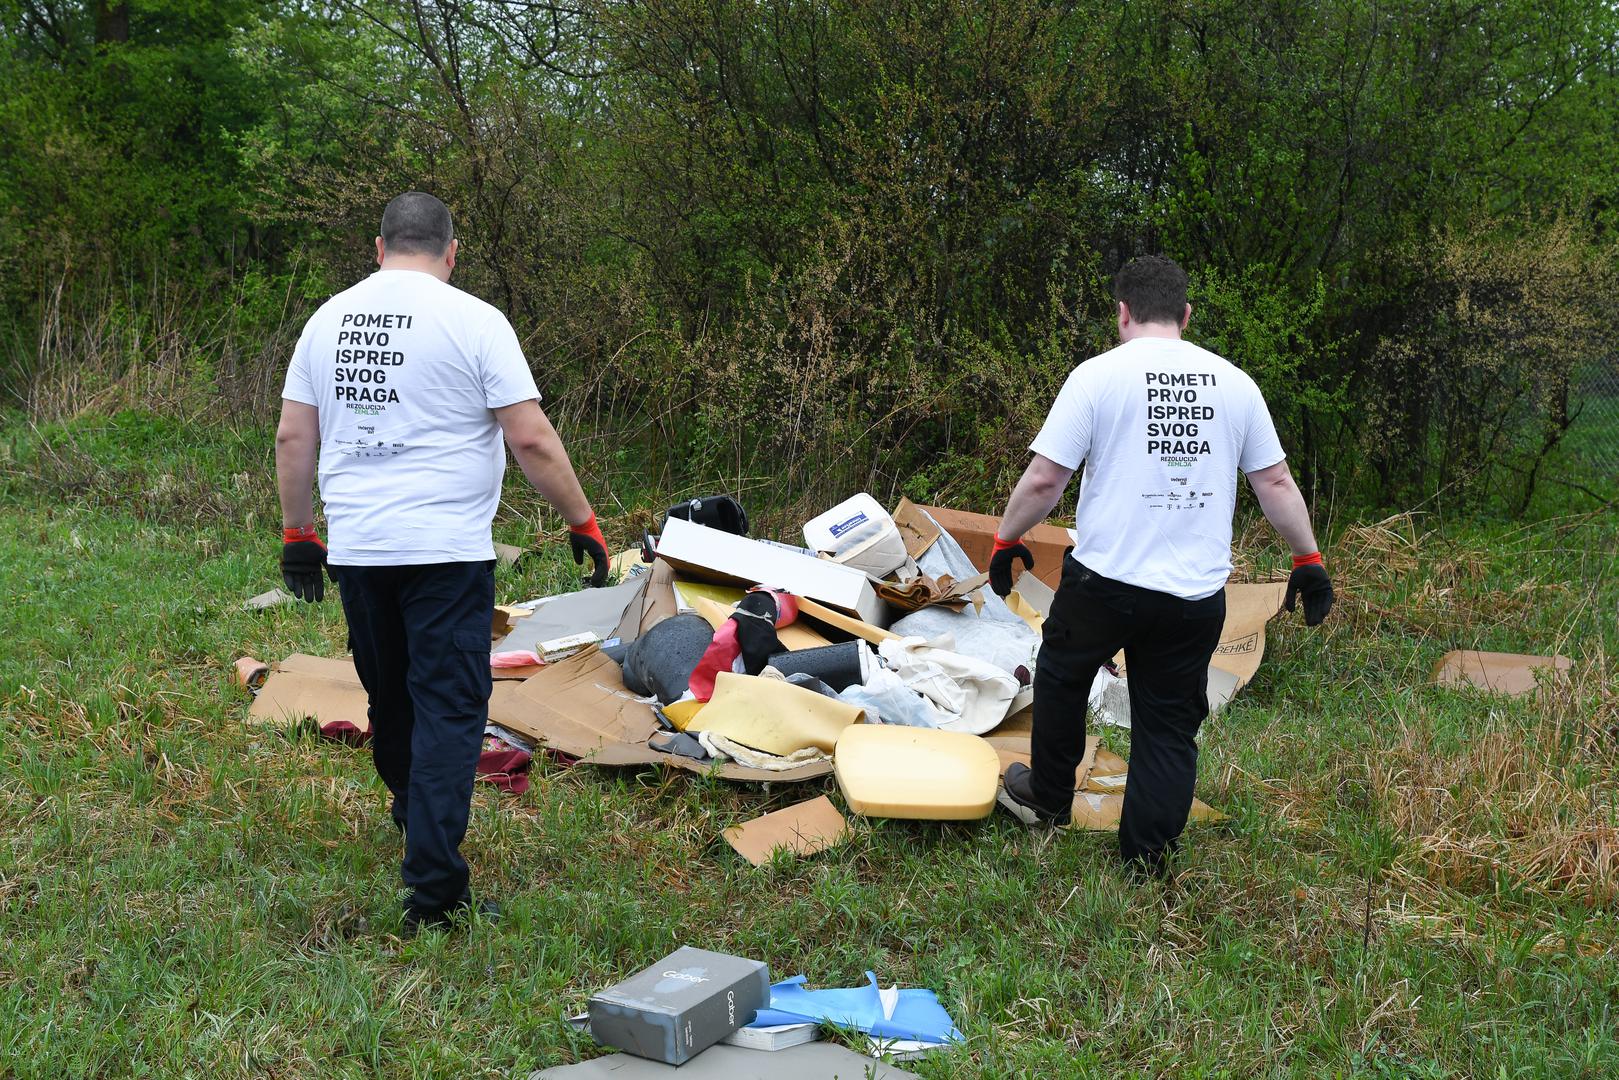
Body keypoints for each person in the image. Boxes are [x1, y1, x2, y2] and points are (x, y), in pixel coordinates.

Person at [274, 191, 609, 932]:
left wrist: (299, 533)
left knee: (390, 696)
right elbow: (531, 439)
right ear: (451, 252)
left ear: (379, 246)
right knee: (450, 710)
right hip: (446, 555)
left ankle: (411, 812)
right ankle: (433, 894)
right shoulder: (475, 320)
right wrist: (580, 520)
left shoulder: (326, 319)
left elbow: (294, 439)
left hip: (360, 551)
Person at [989, 255, 1333, 873]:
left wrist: (1006, 539)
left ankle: (1047, 796)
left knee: (1063, 680)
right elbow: (1276, 482)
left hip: (1103, 584)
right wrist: (1307, 557)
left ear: (1122, 312)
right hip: (1193, 599)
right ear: (1186, 315)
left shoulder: (1096, 377)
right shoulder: (1235, 384)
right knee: (1168, 721)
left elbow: (1045, 480)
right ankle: (1147, 854)